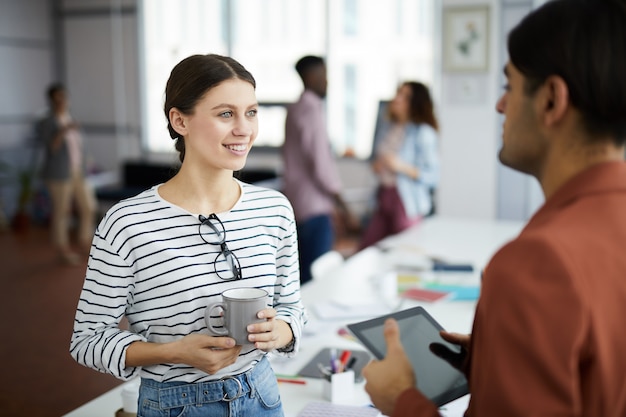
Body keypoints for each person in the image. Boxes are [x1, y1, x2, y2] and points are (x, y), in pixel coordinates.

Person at [362, 0, 626, 415]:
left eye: (509, 87)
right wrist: (495, 363)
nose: (500, 106)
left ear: (552, 101)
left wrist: (402, 399)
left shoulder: (537, 263)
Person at [70, 54, 306, 416]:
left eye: (252, 112)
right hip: (174, 405)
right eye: (225, 114)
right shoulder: (128, 222)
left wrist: (283, 332)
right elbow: (88, 340)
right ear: (180, 120)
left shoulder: (274, 209)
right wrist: (173, 352)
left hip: (261, 395)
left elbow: (293, 309)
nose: (244, 128)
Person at [282, 55, 357, 284]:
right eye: (325, 76)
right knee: (316, 278)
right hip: (314, 208)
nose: (328, 82)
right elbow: (321, 166)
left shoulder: (295, 109)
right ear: (312, 77)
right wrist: (344, 206)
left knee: (303, 272)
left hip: (298, 203)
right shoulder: (311, 110)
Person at [358, 81, 440, 250]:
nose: (397, 99)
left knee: (405, 249)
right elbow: (376, 160)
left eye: (405, 96)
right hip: (383, 195)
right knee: (368, 247)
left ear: (415, 103)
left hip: (406, 200)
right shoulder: (387, 127)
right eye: (398, 93)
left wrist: (399, 166)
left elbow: (433, 177)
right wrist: (378, 166)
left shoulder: (423, 132)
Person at [39, 83, 96, 265]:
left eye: (64, 97)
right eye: (58, 98)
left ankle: (84, 241)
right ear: (52, 101)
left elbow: (78, 146)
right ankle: (62, 249)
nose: (62, 101)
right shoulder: (47, 122)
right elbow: (52, 147)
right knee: (62, 211)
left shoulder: (72, 117)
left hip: (78, 170)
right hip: (58, 174)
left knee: (89, 207)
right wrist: (64, 130)